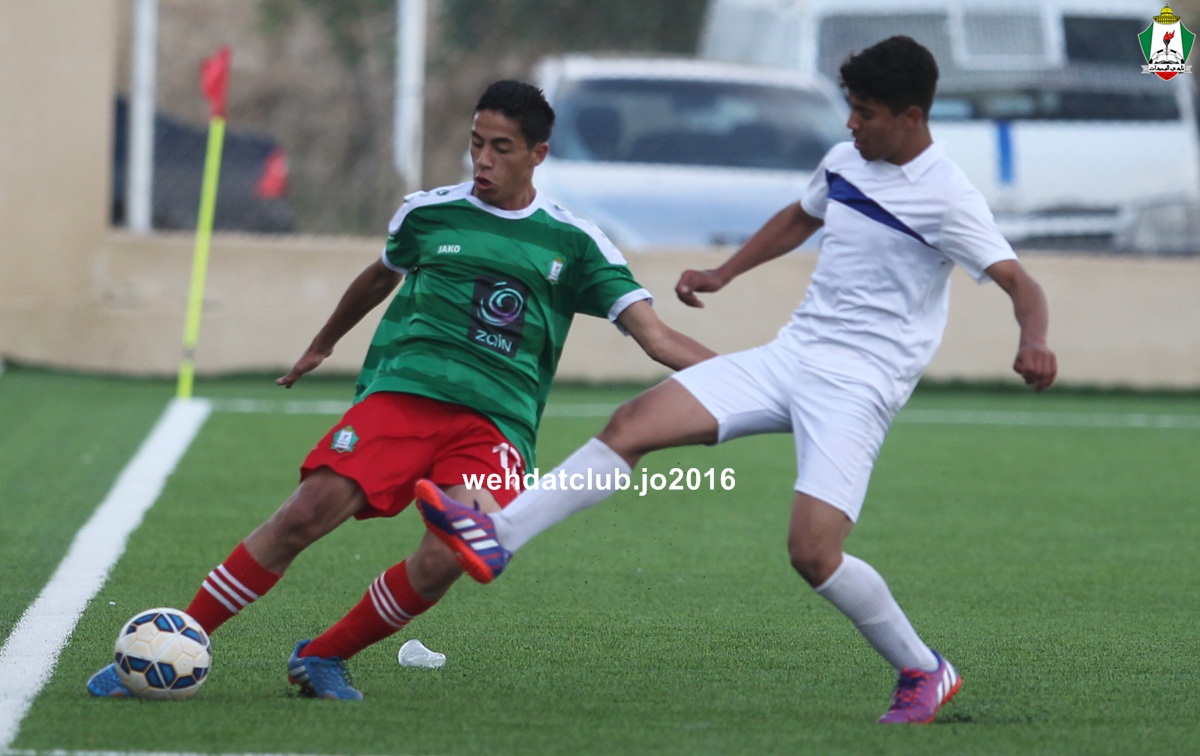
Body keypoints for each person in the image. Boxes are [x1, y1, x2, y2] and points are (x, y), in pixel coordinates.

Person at [416, 36, 1058, 724]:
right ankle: (500, 536)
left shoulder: (949, 198)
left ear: (910, 116)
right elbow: (801, 216)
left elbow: (1021, 283)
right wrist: (725, 272)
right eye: (849, 107)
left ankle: (924, 668)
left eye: (865, 113)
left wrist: (1034, 340)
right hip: (791, 355)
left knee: (813, 553)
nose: (850, 123)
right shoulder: (847, 160)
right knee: (631, 425)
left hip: (859, 387)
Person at [86, 80, 714, 700]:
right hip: (403, 396)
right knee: (304, 513)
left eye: (501, 148)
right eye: (476, 143)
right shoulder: (428, 213)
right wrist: (323, 342)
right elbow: (378, 276)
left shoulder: (576, 243)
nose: (483, 160)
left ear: (537, 154)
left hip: (496, 425)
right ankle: (171, 643)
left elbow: (656, 338)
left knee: (448, 555)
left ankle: (323, 656)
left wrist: (753, 380)